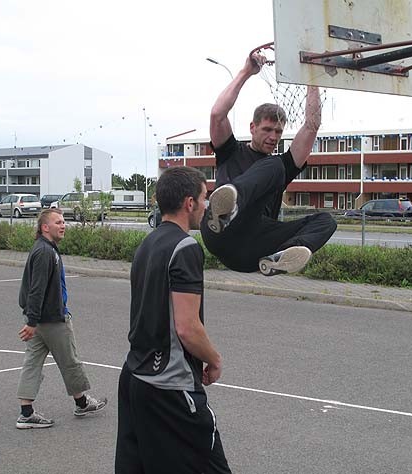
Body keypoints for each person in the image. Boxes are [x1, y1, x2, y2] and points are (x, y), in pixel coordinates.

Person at [115, 166, 231, 474]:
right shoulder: (186, 246)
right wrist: (214, 359)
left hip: (135, 375)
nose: (206, 206)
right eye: (204, 198)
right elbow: (187, 327)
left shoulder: (147, 243)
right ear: (189, 203)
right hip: (169, 383)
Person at [201, 53, 337, 276]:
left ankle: (278, 258)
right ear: (252, 127)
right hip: (219, 230)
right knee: (274, 165)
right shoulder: (230, 151)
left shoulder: (282, 165)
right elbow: (217, 114)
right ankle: (226, 208)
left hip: (251, 252)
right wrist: (246, 72)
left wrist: (312, 78)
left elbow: (311, 126)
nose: (273, 137)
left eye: (278, 132)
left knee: (326, 221)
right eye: (267, 130)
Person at [15, 208, 107, 429]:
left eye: (64, 222)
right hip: (52, 320)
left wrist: (32, 320)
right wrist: (32, 322)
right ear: (45, 227)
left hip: (39, 320)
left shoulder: (44, 249)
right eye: (58, 222)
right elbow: (37, 289)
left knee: (32, 363)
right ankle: (82, 404)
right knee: (70, 361)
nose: (63, 225)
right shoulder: (45, 252)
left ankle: (26, 413)